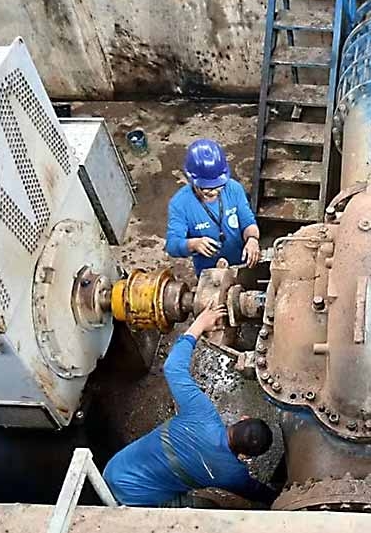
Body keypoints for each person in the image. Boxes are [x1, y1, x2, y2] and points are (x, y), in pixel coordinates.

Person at [104, 303, 277, 507]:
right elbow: (255, 491)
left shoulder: (202, 414)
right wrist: (277, 498)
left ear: (243, 419)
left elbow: (173, 367)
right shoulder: (231, 474)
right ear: (246, 456)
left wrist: (200, 324)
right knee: (210, 507)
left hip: (115, 470)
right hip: (136, 501)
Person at [166, 139, 260, 276]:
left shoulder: (234, 189)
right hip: (208, 272)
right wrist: (193, 244)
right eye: (206, 189)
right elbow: (172, 245)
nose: (214, 192)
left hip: (241, 263)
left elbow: (248, 221)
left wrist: (252, 239)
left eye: (218, 187)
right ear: (192, 180)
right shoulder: (180, 204)